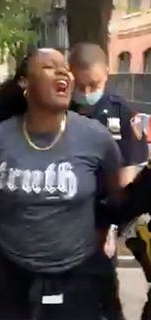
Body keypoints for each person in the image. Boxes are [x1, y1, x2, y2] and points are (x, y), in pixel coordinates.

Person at [0, 48, 125, 319]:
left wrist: (103, 232)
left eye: (65, 68)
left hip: (77, 273)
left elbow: (113, 194)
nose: (63, 72)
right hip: (11, 272)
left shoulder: (96, 138)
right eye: (49, 67)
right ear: (24, 83)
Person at [68, 42, 149, 320]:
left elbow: (130, 175)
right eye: (82, 85)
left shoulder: (124, 114)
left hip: (102, 219)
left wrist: (113, 226)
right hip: (62, 219)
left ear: (107, 74)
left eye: (95, 84)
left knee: (101, 289)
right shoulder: (56, 110)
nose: (88, 92)